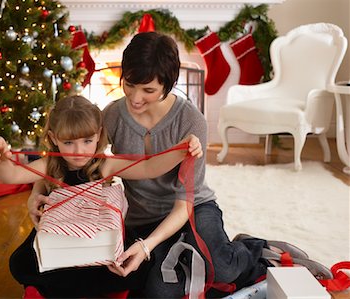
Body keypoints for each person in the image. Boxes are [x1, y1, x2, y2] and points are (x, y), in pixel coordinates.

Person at [27, 32, 332, 298]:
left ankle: (254, 250)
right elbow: (72, 163)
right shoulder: (112, 116)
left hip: (192, 209)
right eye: (130, 85)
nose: (135, 97)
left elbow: (184, 204)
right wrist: (35, 192)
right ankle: (194, 259)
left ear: (169, 85)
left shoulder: (191, 121)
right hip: (141, 218)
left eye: (148, 90)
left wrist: (147, 247)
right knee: (158, 291)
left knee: (223, 269)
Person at [0, 95, 202, 297]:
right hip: (60, 243)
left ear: (98, 134)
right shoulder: (50, 165)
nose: (79, 151)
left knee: (136, 267)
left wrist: (181, 150)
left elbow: (149, 168)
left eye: (87, 140)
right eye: (69, 142)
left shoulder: (104, 164)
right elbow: (11, 175)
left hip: (97, 241)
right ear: (53, 138)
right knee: (24, 263)